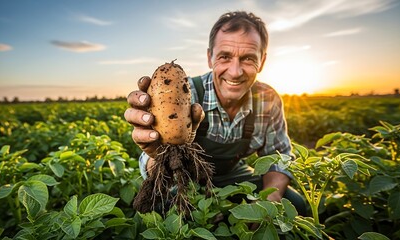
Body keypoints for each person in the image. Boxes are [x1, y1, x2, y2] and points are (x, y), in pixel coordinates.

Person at [124, 11, 306, 215]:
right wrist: (158, 157)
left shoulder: (267, 99)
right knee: (167, 209)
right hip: (187, 179)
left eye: (247, 59)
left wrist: (267, 204)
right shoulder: (183, 94)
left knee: (295, 204)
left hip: (233, 175)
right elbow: (155, 159)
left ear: (262, 62)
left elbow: (278, 158)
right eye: (225, 57)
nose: (235, 71)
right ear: (210, 57)